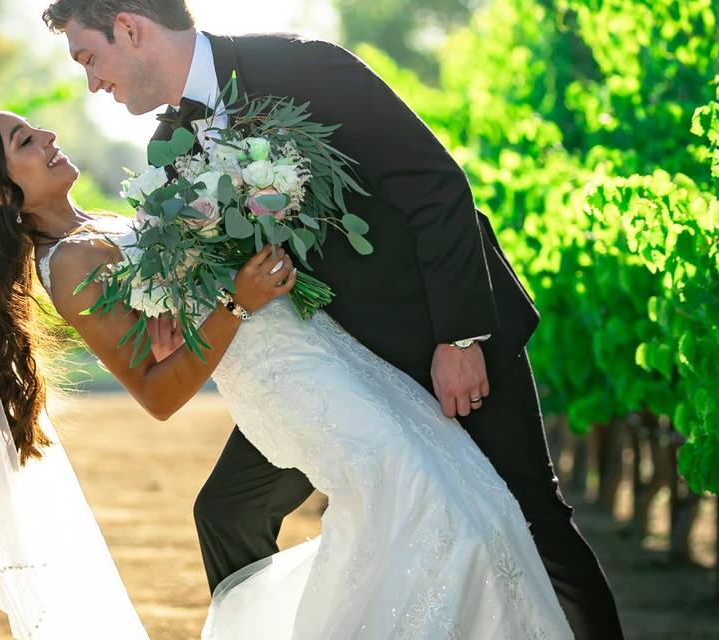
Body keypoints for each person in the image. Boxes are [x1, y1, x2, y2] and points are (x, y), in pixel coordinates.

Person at [40, 0, 624, 638]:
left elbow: (437, 185)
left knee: (534, 518)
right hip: (338, 372)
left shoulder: (305, 67)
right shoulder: (167, 149)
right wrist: (176, 305)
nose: (92, 81)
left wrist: (460, 337)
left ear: (129, 27)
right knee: (228, 510)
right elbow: (223, 265)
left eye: (89, 58)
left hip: (439, 336)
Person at [0, 109, 573, 638]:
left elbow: (170, 338)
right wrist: (236, 302)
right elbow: (156, 395)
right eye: (24, 141)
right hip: (281, 384)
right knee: (425, 505)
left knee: (437, 502)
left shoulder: (91, 227)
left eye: (35, 129)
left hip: (312, 356)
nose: (48, 136)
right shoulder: (68, 265)